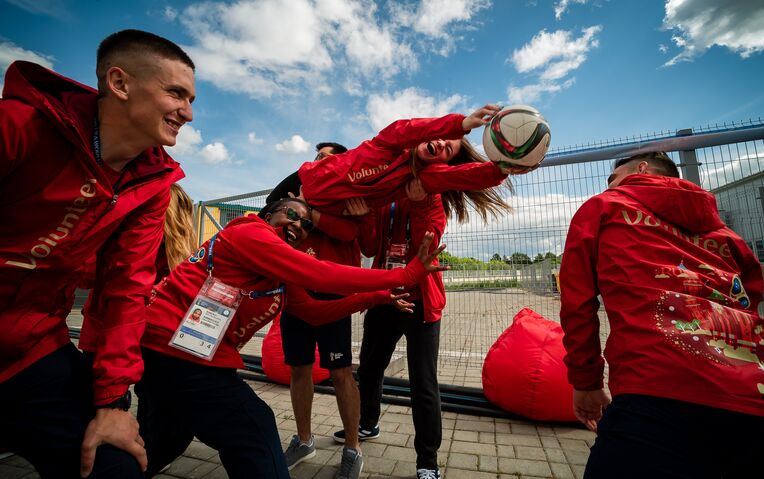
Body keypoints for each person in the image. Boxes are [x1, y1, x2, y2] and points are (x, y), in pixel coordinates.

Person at [136, 198, 447, 478]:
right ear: (269, 214)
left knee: (165, 441)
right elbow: (320, 272)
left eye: (306, 224)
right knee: (255, 428)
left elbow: (313, 312)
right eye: (291, 215)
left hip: (177, 354)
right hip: (175, 350)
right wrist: (405, 275)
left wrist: (377, 297)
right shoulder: (249, 233)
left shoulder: (277, 274)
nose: (299, 225)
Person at [0, 29, 194, 478]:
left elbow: (126, 290)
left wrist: (113, 402)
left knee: (114, 464)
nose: (187, 112)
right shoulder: (18, 127)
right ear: (120, 83)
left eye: (191, 99)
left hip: (31, 349)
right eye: (176, 93)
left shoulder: (152, 185)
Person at [559, 151, 764, 478]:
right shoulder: (728, 236)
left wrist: (586, 380)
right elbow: (750, 300)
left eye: (613, 178)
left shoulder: (605, 206)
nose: (609, 185)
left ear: (641, 168)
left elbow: (577, 301)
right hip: (754, 399)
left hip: (656, 393)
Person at [334, 177, 510, 479]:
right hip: (384, 298)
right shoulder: (383, 197)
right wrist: (364, 216)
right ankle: (367, 423)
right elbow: (369, 246)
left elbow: (423, 247)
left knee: (423, 383)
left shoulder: (432, 197)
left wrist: (418, 203)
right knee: (370, 370)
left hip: (420, 306)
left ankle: (427, 460)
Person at [267, 143, 370, 479]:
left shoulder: (346, 196)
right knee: (299, 368)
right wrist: (299, 208)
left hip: (332, 293)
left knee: (341, 371)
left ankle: (353, 448)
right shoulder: (298, 191)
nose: (319, 161)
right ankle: (305, 439)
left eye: (328, 156)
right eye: (317, 156)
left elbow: (349, 231)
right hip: (296, 288)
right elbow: (273, 214)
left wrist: (310, 212)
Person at [297, 104, 524, 215]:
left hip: (321, 211)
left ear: (442, 162)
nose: (443, 143)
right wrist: (461, 125)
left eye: (449, 150)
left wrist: (501, 169)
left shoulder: (419, 180)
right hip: (301, 183)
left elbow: (458, 176)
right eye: (443, 138)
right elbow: (410, 129)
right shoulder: (388, 143)